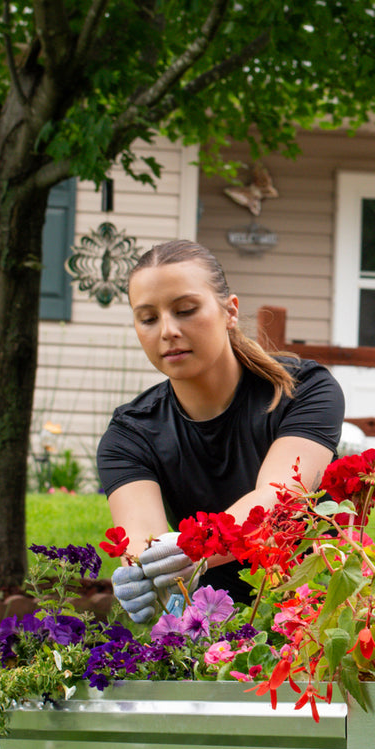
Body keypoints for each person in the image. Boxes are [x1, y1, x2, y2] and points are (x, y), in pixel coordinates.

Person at [97, 240, 344, 621]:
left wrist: (191, 553)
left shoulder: (303, 390)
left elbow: (278, 499)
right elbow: (148, 548)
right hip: (211, 631)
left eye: (185, 310)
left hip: (318, 617)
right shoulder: (129, 435)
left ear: (230, 311)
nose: (167, 331)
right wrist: (145, 579)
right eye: (148, 318)